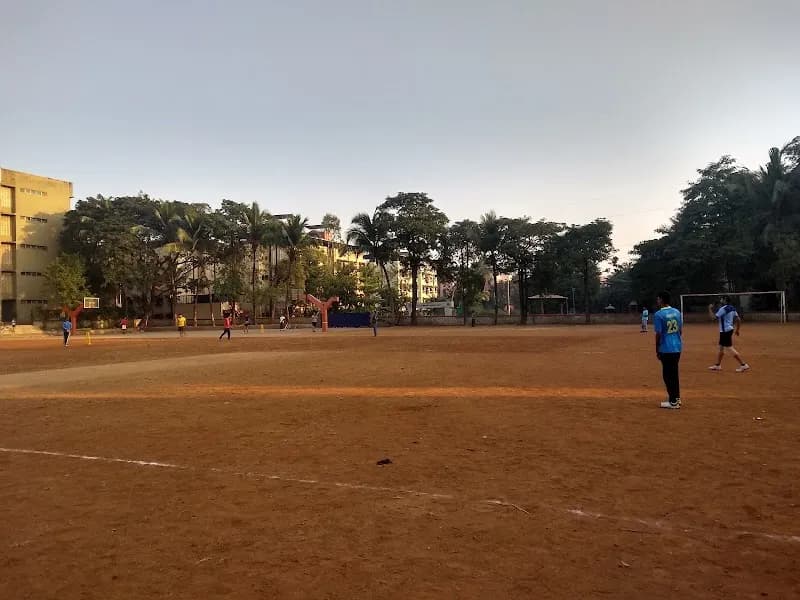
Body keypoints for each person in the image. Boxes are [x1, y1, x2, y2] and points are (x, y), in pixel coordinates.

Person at [654, 291, 683, 409]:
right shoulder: (676, 312)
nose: (657, 301)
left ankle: (673, 401)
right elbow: (680, 330)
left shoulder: (658, 315)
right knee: (674, 374)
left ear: (661, 300)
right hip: (677, 346)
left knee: (667, 375)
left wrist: (657, 348)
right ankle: (676, 398)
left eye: (658, 299)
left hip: (666, 348)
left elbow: (659, 334)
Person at [708, 297, 750, 372]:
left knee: (729, 348)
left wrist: (710, 309)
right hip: (729, 330)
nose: (720, 300)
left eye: (722, 299)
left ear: (725, 301)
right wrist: (737, 330)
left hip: (725, 331)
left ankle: (743, 365)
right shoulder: (732, 308)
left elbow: (713, 318)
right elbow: (738, 319)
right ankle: (718, 365)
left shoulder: (723, 309)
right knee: (721, 347)